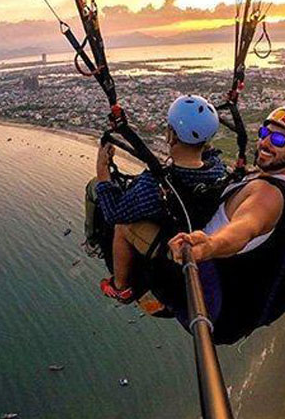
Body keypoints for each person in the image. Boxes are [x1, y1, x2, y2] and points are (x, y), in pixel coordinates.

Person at [166, 103, 285, 344]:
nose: (265, 143)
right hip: (234, 310)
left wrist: (209, 246)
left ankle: (125, 287)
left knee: (131, 225)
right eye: (264, 133)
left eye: (279, 140)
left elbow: (245, 228)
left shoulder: (268, 196)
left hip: (210, 301)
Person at [82, 95, 227, 303]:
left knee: (121, 224)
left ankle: (121, 287)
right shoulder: (217, 169)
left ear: (171, 137)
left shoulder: (155, 187)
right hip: (194, 234)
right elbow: (208, 154)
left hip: (172, 247)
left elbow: (113, 213)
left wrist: (102, 169)